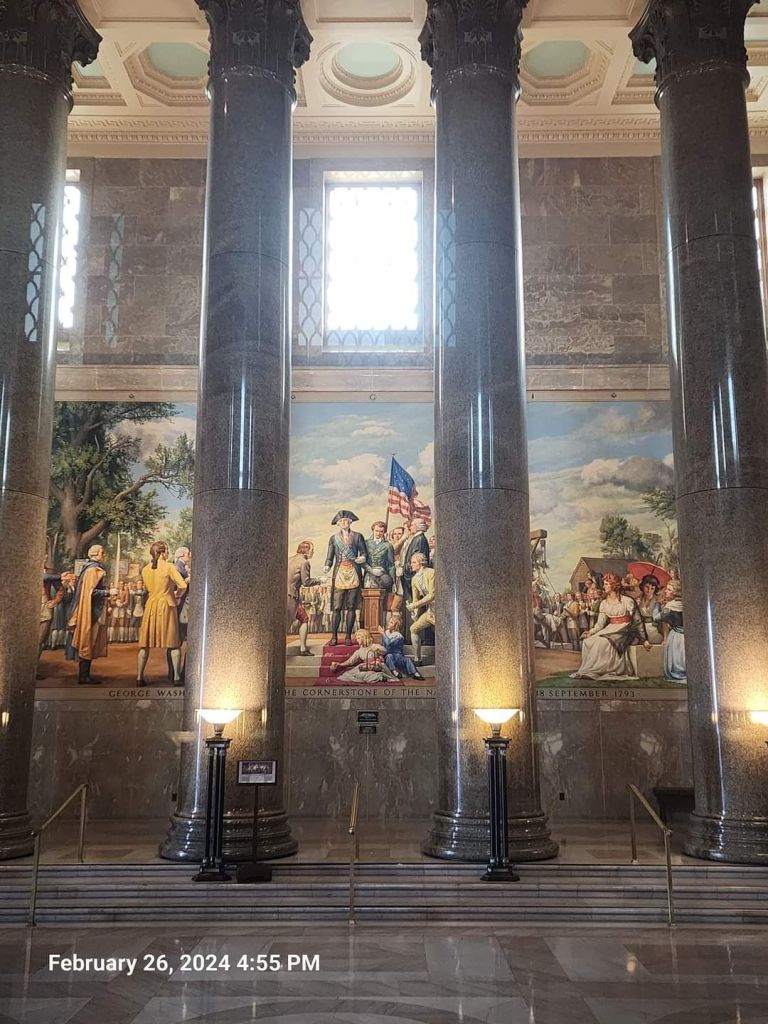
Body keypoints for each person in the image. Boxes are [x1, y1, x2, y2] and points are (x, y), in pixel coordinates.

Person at [571, 572, 645, 681]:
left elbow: (637, 620)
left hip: (625, 629)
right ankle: (591, 670)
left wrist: (643, 638)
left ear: (613, 585)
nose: (604, 586)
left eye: (606, 584)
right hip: (610, 627)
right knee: (589, 641)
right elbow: (600, 624)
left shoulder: (627, 601)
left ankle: (601, 670)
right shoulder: (604, 603)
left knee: (603, 641)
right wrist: (590, 632)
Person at [137, 541, 188, 686]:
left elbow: (147, 588)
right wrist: (177, 595)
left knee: (144, 644)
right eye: (167, 550)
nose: (168, 553)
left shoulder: (145, 569)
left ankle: (139, 677)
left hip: (150, 606)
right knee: (173, 643)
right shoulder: (169, 567)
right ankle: (176, 677)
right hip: (167, 605)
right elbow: (183, 585)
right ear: (162, 552)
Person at [66, 545, 109, 685]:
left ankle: (84, 675)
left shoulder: (91, 568)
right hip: (91, 611)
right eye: (102, 553)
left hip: (92, 609)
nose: (104, 555)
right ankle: (84, 676)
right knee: (87, 640)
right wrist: (108, 592)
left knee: (89, 641)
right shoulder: (92, 570)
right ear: (95, 554)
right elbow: (90, 592)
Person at [324, 510, 368, 646]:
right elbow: (330, 556)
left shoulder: (358, 536)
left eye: (346, 520)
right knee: (337, 607)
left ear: (350, 522)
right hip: (339, 573)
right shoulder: (333, 538)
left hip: (354, 572)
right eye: (341, 521)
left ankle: (348, 636)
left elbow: (364, 553)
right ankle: (334, 637)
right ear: (338, 524)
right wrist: (327, 566)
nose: (344, 523)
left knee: (351, 607)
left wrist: (362, 558)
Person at [287, 540, 320, 656]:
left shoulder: (289, 559)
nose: (313, 552)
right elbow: (306, 582)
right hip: (291, 597)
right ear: (306, 551)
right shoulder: (304, 562)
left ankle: (302, 648)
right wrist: (319, 580)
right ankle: (303, 649)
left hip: (283, 596)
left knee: (300, 619)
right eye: (312, 550)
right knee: (303, 619)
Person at [330, 629, 398, 683]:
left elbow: (384, 650)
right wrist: (339, 665)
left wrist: (377, 649)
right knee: (355, 674)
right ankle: (379, 677)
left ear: (364, 637)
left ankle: (380, 677)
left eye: (359, 638)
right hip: (366, 667)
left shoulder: (374, 646)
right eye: (357, 638)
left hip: (376, 666)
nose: (357, 640)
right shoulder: (359, 651)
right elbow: (350, 661)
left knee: (369, 674)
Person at [406, 552, 435, 666]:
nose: (411, 565)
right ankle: (417, 659)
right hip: (431, 611)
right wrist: (415, 613)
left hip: (441, 610)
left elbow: (432, 595)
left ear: (421, 563)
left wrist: (415, 605)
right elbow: (415, 599)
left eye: (414, 562)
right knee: (414, 628)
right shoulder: (414, 579)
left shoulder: (431, 573)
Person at [655, 578, 686, 681]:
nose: (665, 591)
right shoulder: (685, 603)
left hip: (676, 636)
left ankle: (677, 674)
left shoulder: (671, 605)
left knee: (677, 659)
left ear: (675, 592)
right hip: (685, 636)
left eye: (669, 590)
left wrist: (657, 604)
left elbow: (656, 618)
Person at [37, 566, 64, 678]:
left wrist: (56, 601)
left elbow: (60, 589)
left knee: (40, 640)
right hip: (26, 609)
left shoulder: (50, 572)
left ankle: (33, 669)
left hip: (44, 608)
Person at [382, 613, 424, 680]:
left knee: (408, 659)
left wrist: (383, 634)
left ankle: (415, 673)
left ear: (396, 625)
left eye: (391, 623)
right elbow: (385, 645)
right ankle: (395, 672)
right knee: (389, 656)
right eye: (389, 622)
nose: (388, 624)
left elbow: (389, 643)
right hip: (390, 656)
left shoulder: (398, 635)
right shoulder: (386, 633)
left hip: (399, 657)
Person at [401, 518, 430, 605]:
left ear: (418, 527)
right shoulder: (417, 538)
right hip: (412, 574)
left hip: (413, 575)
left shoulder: (419, 539)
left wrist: (404, 569)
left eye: (412, 525)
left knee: (415, 602)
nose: (410, 527)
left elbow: (417, 560)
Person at [363, 521, 395, 591]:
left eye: (381, 531)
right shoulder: (366, 543)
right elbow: (362, 561)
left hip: (382, 576)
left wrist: (393, 581)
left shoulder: (388, 546)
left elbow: (391, 565)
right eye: (376, 531)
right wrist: (371, 570)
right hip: (369, 574)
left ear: (384, 532)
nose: (378, 533)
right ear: (373, 530)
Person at [637, 573, 664, 645]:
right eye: (647, 587)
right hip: (641, 629)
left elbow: (663, 620)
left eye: (652, 588)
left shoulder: (659, 600)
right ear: (642, 586)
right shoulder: (638, 599)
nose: (649, 590)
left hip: (655, 628)